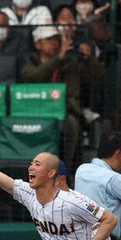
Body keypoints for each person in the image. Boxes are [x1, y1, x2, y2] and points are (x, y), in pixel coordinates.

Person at [21, 24, 105, 168]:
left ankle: (64, 167)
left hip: (64, 111)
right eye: (49, 40)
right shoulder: (29, 62)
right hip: (36, 110)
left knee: (71, 123)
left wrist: (88, 59)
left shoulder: (69, 63)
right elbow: (35, 76)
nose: (54, 43)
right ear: (38, 44)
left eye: (56, 39)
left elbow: (95, 77)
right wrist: (58, 58)